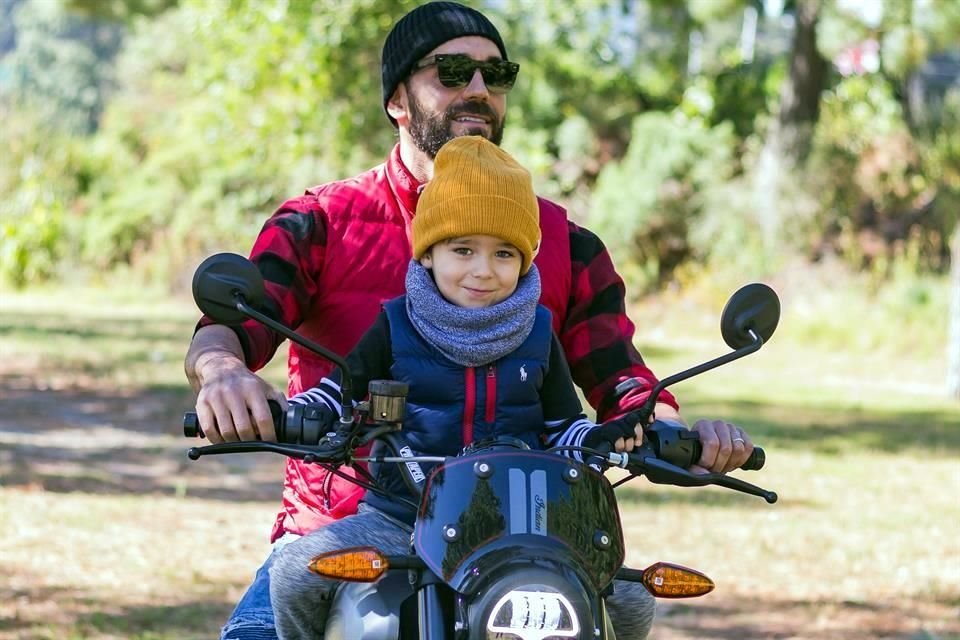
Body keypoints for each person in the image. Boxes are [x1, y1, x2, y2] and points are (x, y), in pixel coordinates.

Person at [183, 3, 756, 638]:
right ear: (399, 98)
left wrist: (670, 430)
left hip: (520, 533)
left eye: (496, 73)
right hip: (355, 526)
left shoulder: (562, 242)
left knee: (624, 607)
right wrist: (222, 371)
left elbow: (619, 377)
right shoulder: (322, 221)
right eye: (453, 71)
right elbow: (234, 324)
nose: (479, 89)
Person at [270, 135, 657, 639]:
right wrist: (308, 413)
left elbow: (564, 427)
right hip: (400, 517)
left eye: (503, 253)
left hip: (522, 526)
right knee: (295, 572)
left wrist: (598, 439)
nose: (483, 270)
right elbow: (338, 392)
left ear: (525, 260)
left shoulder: (539, 332)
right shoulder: (395, 324)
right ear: (428, 253)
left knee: (631, 598)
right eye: (462, 249)